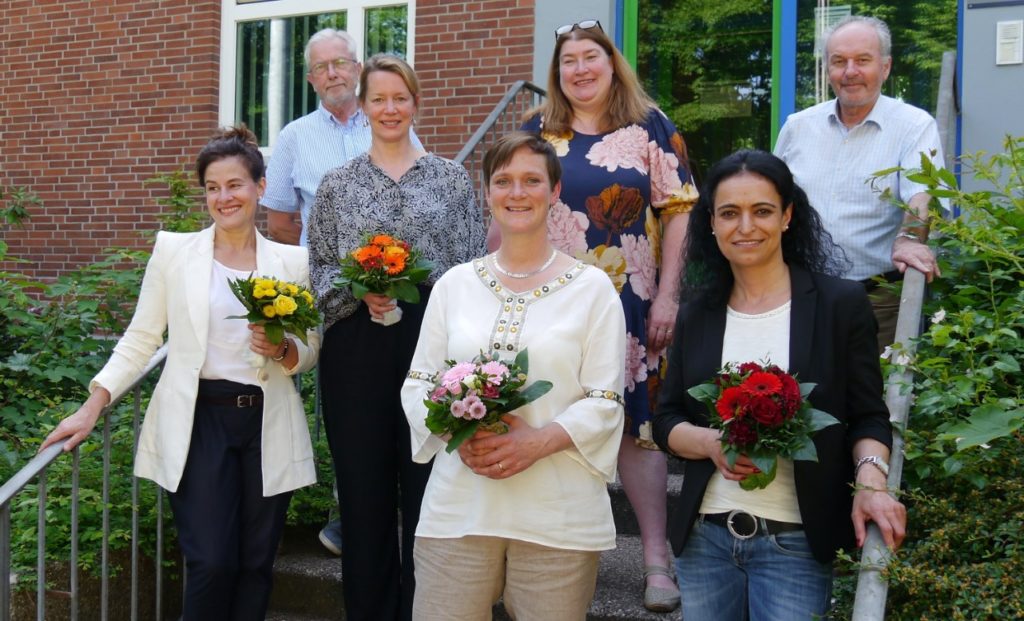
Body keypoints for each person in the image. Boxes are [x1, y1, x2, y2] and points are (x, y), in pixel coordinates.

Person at [41, 126, 320, 620]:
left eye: (234, 184)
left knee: (255, 565)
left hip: (266, 422)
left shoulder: (291, 261)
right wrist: (93, 405)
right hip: (199, 423)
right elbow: (141, 337)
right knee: (211, 561)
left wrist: (283, 350)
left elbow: (310, 348)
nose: (223, 197)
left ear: (259, 185)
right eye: (212, 188)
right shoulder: (175, 252)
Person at [652, 150, 907, 620]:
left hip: (796, 545)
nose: (745, 226)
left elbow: (869, 414)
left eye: (762, 210)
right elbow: (667, 419)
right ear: (711, 223)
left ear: (788, 216)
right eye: (729, 213)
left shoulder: (840, 304)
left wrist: (872, 482)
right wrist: (711, 443)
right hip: (703, 541)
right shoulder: (697, 312)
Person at [512, 18, 699, 612]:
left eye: (591, 57)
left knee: (637, 429)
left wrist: (669, 295)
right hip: (551, 302)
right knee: (554, 418)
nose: (581, 69)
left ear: (611, 63)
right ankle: (556, 554)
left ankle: (655, 560)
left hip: (631, 300)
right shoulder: (535, 132)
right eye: (569, 60)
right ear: (557, 72)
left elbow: (680, 213)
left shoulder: (650, 127)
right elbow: (509, 209)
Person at [401, 131, 626, 620]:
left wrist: (536, 442)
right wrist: (452, 425)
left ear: (555, 191)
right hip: (459, 506)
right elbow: (418, 383)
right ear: (487, 193)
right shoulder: (454, 286)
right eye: (503, 181)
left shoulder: (593, 290)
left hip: (557, 513)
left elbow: (606, 399)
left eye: (531, 180)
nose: (517, 193)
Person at [307, 54, 486, 621]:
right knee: (364, 501)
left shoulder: (451, 180)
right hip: (355, 352)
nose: (389, 109)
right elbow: (316, 273)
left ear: (415, 103)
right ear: (361, 107)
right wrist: (358, 291)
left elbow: (473, 268)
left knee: (430, 495)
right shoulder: (337, 185)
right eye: (378, 99)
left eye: (400, 98)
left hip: (431, 350)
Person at [774, 15, 943, 349]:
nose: (850, 71)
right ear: (828, 69)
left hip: (877, 301)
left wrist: (909, 239)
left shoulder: (913, 126)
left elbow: (921, 194)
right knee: (801, 395)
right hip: (800, 296)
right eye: (839, 61)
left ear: (885, 67)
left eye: (863, 60)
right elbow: (771, 199)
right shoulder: (797, 127)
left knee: (871, 397)